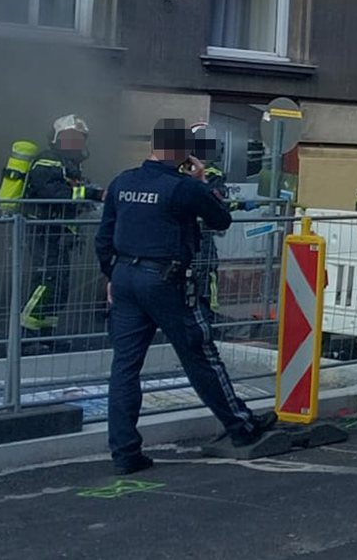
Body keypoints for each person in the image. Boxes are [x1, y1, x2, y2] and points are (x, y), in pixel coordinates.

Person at [95, 119, 276, 475]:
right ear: (183, 151)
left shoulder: (123, 182)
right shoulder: (182, 186)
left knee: (125, 366)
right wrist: (201, 181)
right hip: (166, 280)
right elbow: (220, 219)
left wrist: (110, 276)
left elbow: (104, 236)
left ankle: (125, 452)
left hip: (125, 277)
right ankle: (241, 426)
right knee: (199, 353)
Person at [20, 114, 104, 339]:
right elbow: (52, 193)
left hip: (60, 233)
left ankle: (47, 334)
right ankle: (26, 334)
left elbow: (71, 197)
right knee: (47, 280)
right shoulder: (48, 160)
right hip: (44, 231)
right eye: (70, 139)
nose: (76, 143)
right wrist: (90, 193)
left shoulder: (70, 166)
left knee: (60, 284)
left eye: (79, 139)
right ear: (57, 139)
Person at [178, 123, 231, 316]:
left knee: (207, 273)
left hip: (201, 235)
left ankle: (208, 313)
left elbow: (219, 203)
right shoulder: (179, 171)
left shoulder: (214, 175)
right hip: (184, 234)